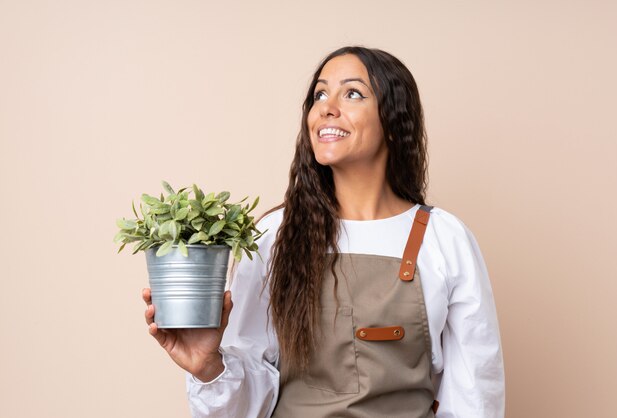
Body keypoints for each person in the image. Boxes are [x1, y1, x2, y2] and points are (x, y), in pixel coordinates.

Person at [142, 45, 505, 417]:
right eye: (319, 94)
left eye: (352, 93)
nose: (327, 107)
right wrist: (207, 367)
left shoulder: (444, 239)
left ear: (394, 122)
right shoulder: (275, 235)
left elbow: (475, 395)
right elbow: (250, 399)